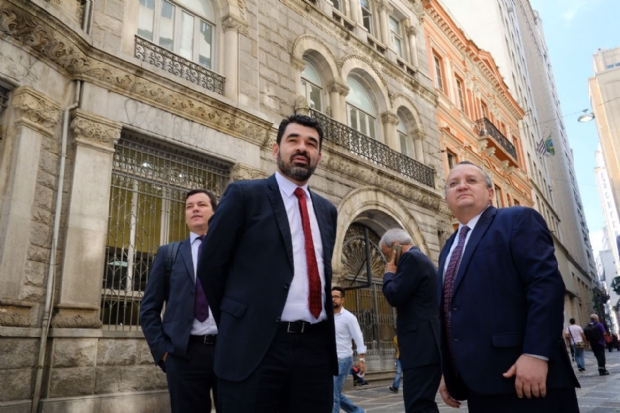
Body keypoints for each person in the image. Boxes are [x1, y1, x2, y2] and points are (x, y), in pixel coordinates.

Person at [197, 115, 338, 413]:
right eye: (293, 140)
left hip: (315, 351)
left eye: (311, 144)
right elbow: (211, 266)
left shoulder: (328, 211)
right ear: (276, 149)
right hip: (256, 347)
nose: (302, 148)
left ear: (319, 156)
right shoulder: (245, 195)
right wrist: (240, 319)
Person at [437, 161, 579, 413]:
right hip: (479, 386)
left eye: (471, 180)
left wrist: (537, 354)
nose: (461, 186)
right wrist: (448, 370)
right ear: (446, 196)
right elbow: (452, 310)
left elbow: (545, 286)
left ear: (491, 193)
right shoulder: (449, 246)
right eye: (453, 184)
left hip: (528, 378)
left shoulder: (516, 219)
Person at [140, 189, 220, 413]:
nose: (194, 209)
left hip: (226, 352)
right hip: (184, 355)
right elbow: (149, 308)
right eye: (189, 206)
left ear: (215, 212)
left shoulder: (229, 251)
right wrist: (164, 351)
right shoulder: (169, 254)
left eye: (202, 204)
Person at [381, 229, 441, 413]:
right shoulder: (420, 259)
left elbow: (394, 295)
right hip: (425, 344)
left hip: (420, 345)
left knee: (418, 405)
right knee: (423, 403)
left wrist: (389, 274)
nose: (388, 261)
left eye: (387, 255)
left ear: (396, 247)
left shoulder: (411, 259)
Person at [331, 286, 367, 413]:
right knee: (333, 392)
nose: (333, 299)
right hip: (329, 359)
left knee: (332, 394)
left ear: (342, 300)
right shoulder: (327, 317)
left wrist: (361, 359)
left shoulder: (349, 317)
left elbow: (358, 337)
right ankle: (358, 412)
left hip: (343, 359)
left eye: (336, 297)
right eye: (331, 297)